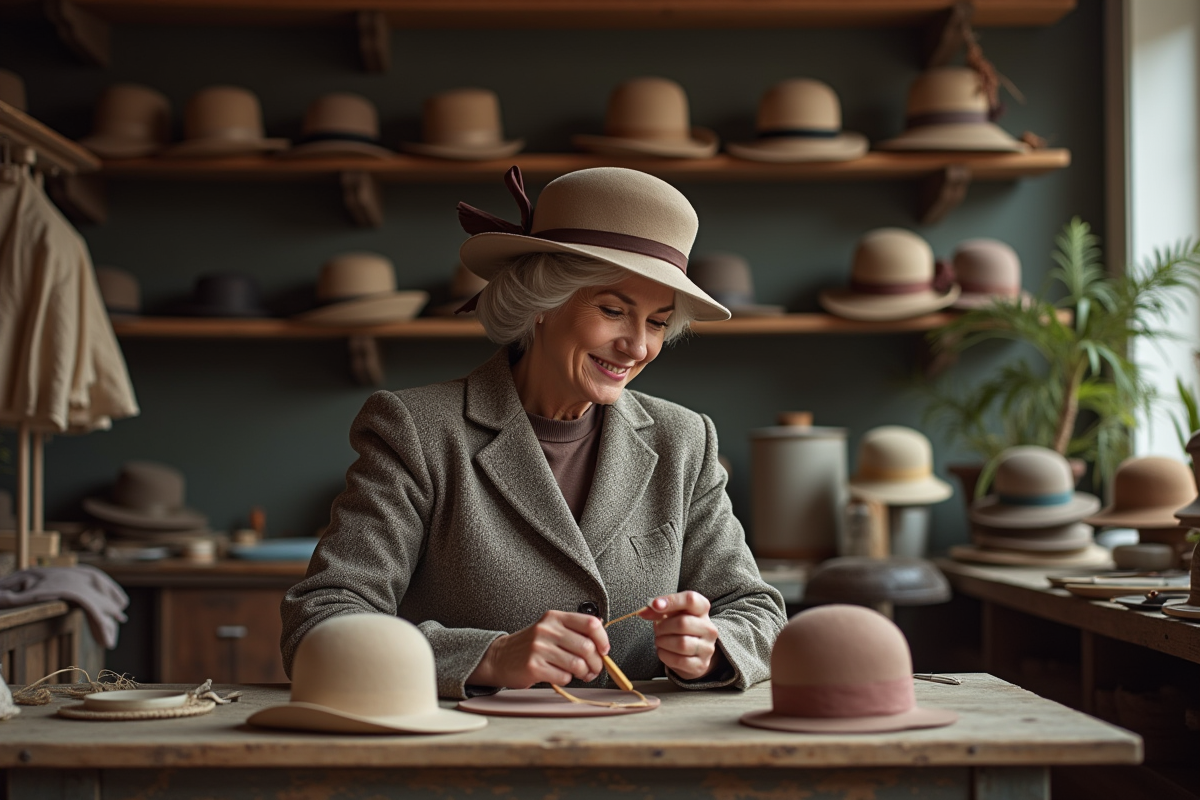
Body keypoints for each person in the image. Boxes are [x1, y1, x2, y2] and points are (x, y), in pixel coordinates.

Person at [280, 166, 786, 699]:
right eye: (613, 310)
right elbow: (319, 624)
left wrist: (711, 647)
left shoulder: (683, 439)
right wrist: (489, 657)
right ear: (542, 300)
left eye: (658, 322)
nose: (637, 346)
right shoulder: (416, 430)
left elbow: (758, 613)